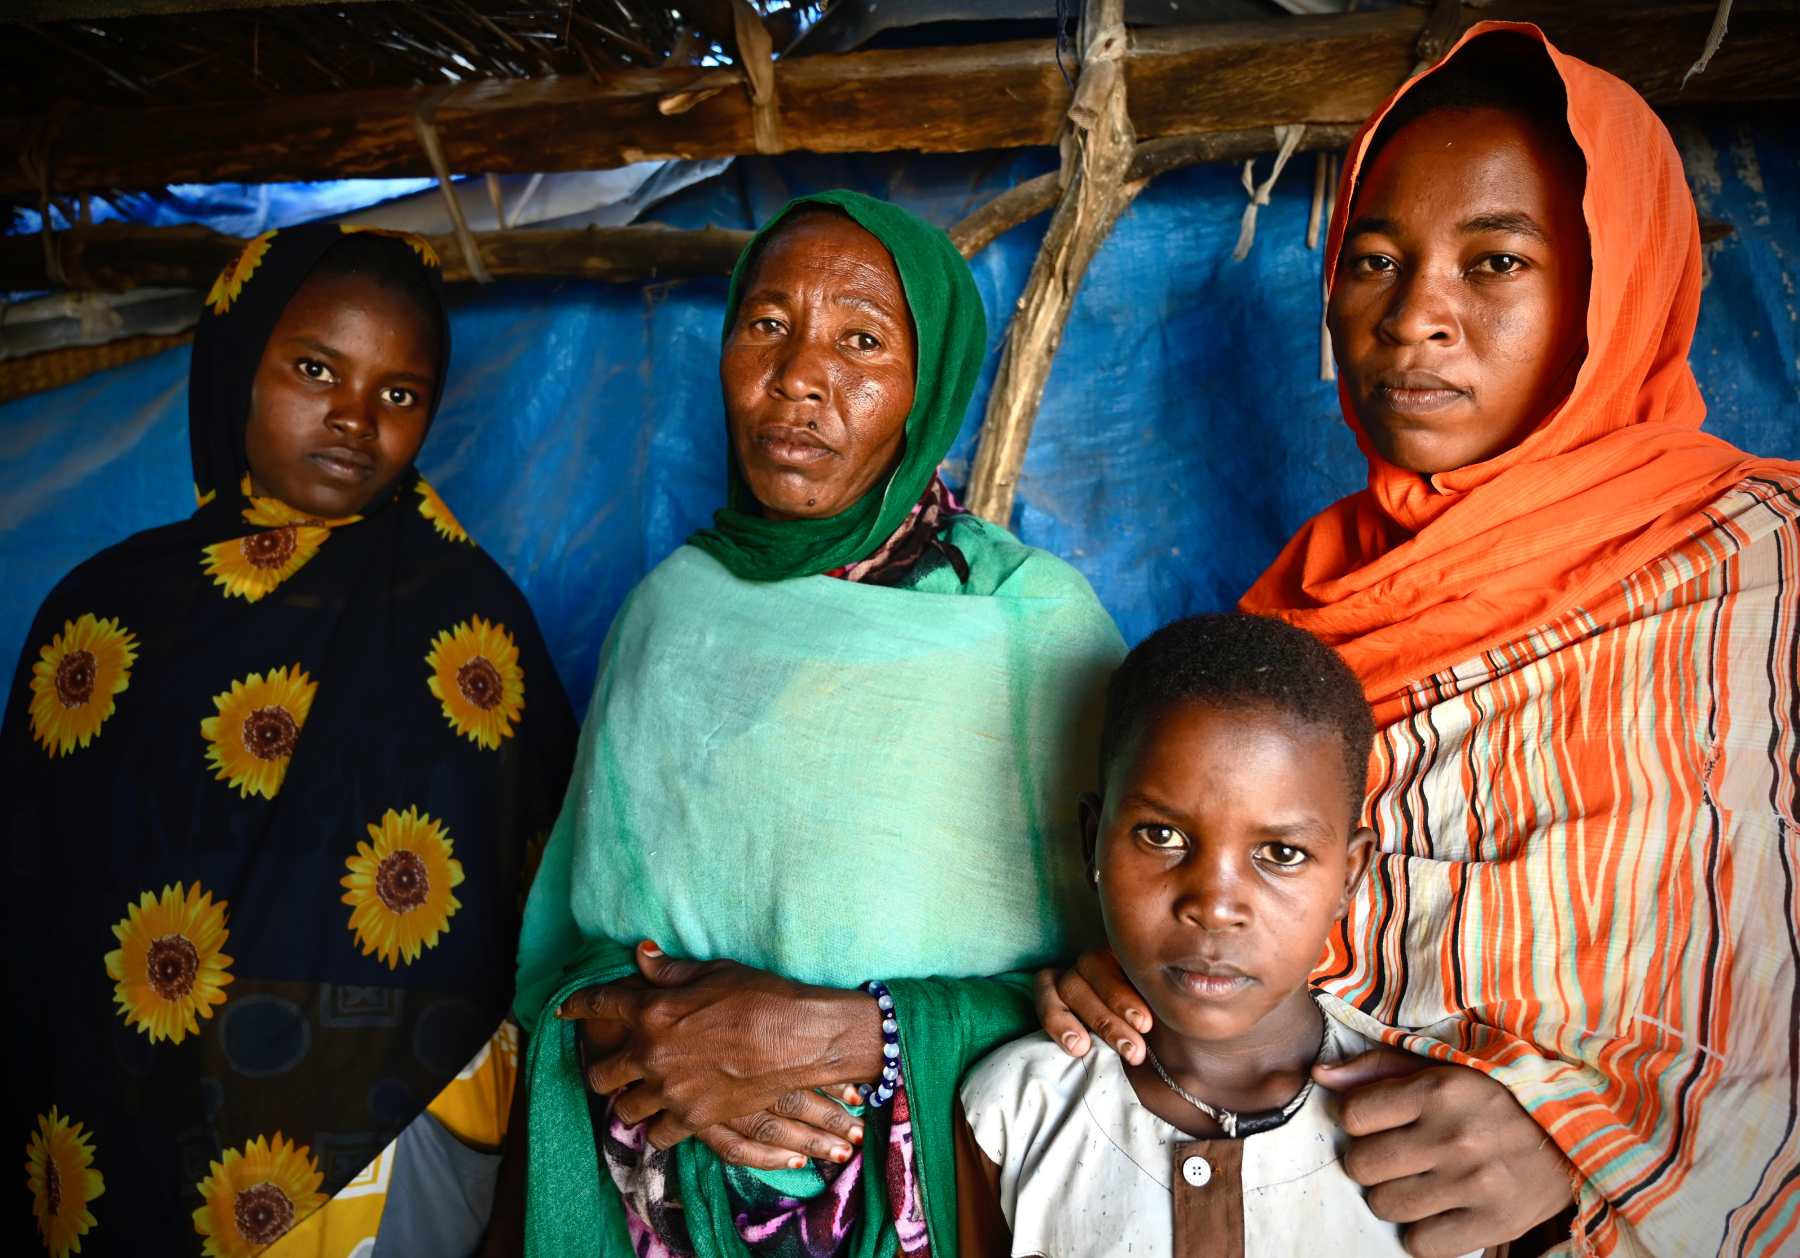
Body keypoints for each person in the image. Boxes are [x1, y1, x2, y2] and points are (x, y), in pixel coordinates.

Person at [1037, 22, 1800, 1258]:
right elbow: (1239, 938)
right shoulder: (1297, 618)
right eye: (1376, 261)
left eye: (1495, 260)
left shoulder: (1763, 575)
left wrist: (1584, 1158)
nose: (1415, 319)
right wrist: (1124, 991)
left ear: (1618, 288)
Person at [508, 190, 1125, 1255]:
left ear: (925, 389)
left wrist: (854, 1035)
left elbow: (1128, 985)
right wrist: (659, 1034)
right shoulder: (669, 610)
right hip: (661, 1198)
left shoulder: (1030, 627)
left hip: (929, 1204)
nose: (799, 375)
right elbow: (565, 946)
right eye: (767, 325)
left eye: (862, 339)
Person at [6, 224, 577, 1258]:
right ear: (235, 359)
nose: (355, 419)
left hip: (395, 1150)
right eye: (315, 368)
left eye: (400, 393)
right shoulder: (102, 619)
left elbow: (544, 904)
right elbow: (35, 903)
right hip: (124, 1137)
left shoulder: (473, 624)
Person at [956, 613, 1420, 1256]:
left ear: (1350, 875)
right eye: (1161, 836)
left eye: (1281, 853)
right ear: (1093, 841)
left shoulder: (1427, 1128)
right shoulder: (1014, 1111)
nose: (1214, 906)